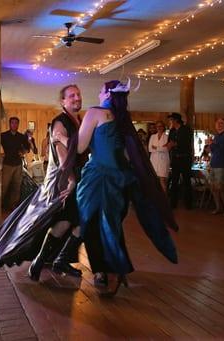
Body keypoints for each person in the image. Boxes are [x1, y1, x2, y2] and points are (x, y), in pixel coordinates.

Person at [74, 79, 178, 296]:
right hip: (121, 179)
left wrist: (63, 139)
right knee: (111, 225)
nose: (99, 93)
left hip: (98, 178)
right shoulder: (123, 119)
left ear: (108, 94)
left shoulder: (94, 113)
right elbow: (130, 154)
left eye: (101, 90)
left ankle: (103, 271)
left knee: (91, 225)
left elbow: (81, 146)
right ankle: (114, 267)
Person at [0, 84, 86, 280]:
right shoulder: (60, 123)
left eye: (78, 94)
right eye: (71, 95)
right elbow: (63, 159)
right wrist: (72, 181)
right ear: (62, 101)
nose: (77, 98)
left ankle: (54, 261)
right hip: (63, 181)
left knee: (74, 220)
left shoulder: (79, 121)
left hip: (77, 179)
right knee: (65, 220)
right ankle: (43, 261)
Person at [0, 117, 30, 210]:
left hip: (18, 163)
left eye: (16, 123)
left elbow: (27, 148)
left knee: (16, 186)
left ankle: (13, 205)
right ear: (10, 124)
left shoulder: (21, 136)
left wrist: (23, 152)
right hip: (7, 164)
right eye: (12, 123)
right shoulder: (3, 135)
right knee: (4, 186)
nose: (14, 125)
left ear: (18, 124)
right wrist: (0, 154)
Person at [167, 112, 193, 209]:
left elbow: (186, 142)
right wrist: (169, 145)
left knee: (186, 181)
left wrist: (175, 144)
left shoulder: (186, 129)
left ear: (176, 120)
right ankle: (173, 204)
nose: (170, 122)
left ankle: (188, 204)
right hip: (175, 159)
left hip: (185, 158)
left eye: (171, 120)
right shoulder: (172, 130)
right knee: (174, 181)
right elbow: (169, 142)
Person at [207, 118, 224, 216]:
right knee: (213, 187)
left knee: (221, 187)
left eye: (222, 123)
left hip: (222, 165)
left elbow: (223, 150)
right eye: (218, 123)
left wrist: (212, 143)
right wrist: (209, 145)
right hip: (214, 164)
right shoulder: (216, 136)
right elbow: (212, 151)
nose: (219, 124)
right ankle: (218, 207)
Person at [148, 120, 170, 191]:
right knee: (154, 180)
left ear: (163, 127)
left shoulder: (167, 137)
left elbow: (166, 149)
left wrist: (156, 147)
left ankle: (164, 199)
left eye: (160, 126)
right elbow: (150, 149)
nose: (159, 128)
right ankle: (157, 198)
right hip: (154, 160)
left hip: (163, 160)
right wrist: (161, 148)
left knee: (162, 180)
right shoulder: (152, 136)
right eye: (157, 126)